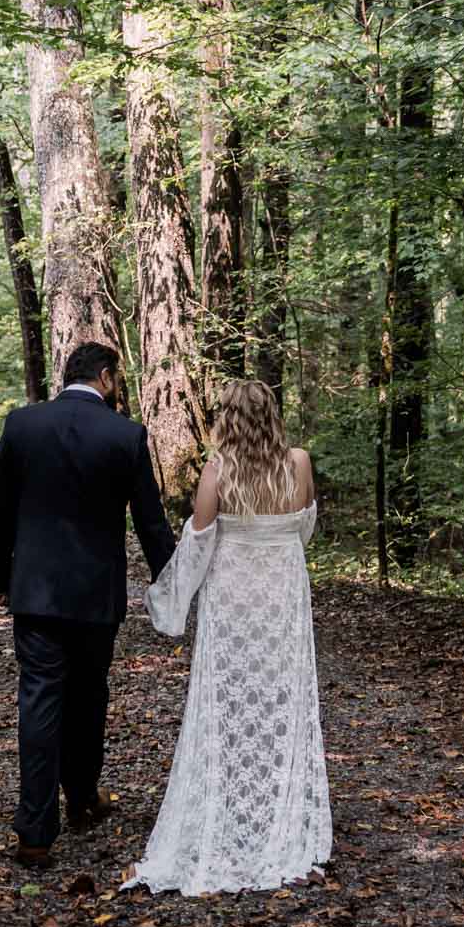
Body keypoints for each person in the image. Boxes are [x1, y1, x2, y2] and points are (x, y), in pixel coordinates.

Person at [126, 377, 331, 895]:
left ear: (227, 418)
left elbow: (197, 541)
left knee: (231, 699)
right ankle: (274, 807)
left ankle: (235, 800)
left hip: (233, 597)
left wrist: (169, 600)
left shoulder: (218, 471)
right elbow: (304, 529)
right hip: (283, 596)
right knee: (280, 695)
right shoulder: (300, 463)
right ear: (273, 415)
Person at [0, 339, 175, 866]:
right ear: (107, 378)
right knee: (89, 696)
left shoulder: (22, 425)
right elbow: (151, 522)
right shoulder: (126, 434)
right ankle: (83, 800)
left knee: (39, 699)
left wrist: (2, 577)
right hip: (96, 594)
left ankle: (35, 831)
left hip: (36, 592)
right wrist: (173, 584)